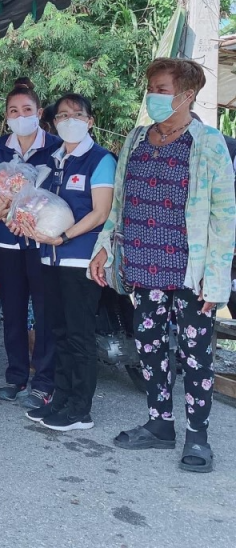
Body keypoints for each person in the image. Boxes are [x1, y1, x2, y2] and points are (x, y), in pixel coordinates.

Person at [91, 58, 236, 473]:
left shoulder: (208, 143)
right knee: (150, 346)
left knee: (195, 355)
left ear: (187, 95)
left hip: (191, 271)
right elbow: (119, 204)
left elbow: (224, 217)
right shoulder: (137, 139)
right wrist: (104, 248)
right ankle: (159, 424)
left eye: (161, 89)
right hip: (143, 266)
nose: (152, 95)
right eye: (150, 88)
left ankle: (198, 437)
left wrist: (216, 279)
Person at [16, 94, 115, 431]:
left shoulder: (100, 159)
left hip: (80, 259)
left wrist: (64, 236)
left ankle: (80, 409)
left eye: (77, 114)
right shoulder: (54, 160)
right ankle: (60, 399)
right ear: (54, 123)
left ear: (90, 121)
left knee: (78, 335)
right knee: (57, 331)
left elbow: (101, 212)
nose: (69, 120)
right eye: (62, 116)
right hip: (50, 258)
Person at [0, 78, 62, 409]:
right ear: (6, 116)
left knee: (45, 311)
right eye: (13, 111)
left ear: (39, 112)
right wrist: (4, 215)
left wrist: (33, 220)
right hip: (7, 240)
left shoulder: (56, 146)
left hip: (42, 241)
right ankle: (16, 375)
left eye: (27, 109)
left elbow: (59, 195)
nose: (20, 116)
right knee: (13, 310)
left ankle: (44, 381)